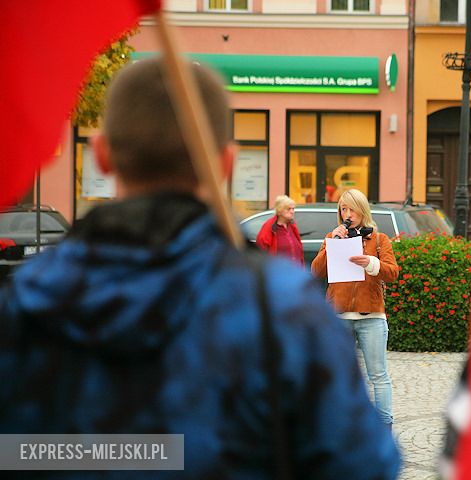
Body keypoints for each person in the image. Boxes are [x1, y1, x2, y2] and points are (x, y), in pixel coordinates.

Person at [0, 58, 400, 478]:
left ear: (102, 155)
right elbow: (363, 467)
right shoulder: (280, 310)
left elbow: (16, 454)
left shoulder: (27, 302)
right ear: (226, 162)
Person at [311, 189, 399, 429]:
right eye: (343, 209)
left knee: (378, 375)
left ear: (362, 209)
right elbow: (315, 272)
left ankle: (384, 426)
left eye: (351, 208)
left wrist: (370, 263)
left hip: (371, 315)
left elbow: (392, 273)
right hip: (338, 316)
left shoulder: (379, 240)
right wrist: (333, 244)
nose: (347, 214)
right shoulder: (333, 236)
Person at [255, 194, 303, 265]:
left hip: (296, 272)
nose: (292, 212)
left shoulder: (292, 226)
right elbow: (261, 253)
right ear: (279, 211)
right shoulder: (269, 227)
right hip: (278, 273)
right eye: (288, 209)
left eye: (293, 209)